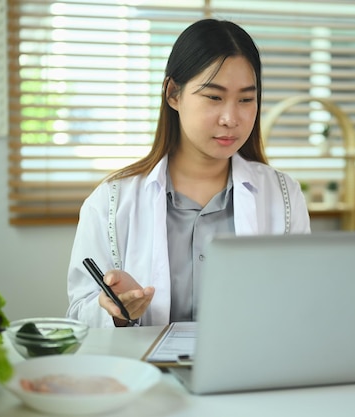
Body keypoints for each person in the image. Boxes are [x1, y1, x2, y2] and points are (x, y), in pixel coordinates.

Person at [66, 18, 311, 328]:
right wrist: (117, 312)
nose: (230, 118)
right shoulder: (111, 201)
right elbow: (79, 314)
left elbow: (302, 303)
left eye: (246, 99)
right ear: (173, 94)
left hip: (251, 371)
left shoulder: (284, 195)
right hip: (148, 374)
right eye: (214, 97)